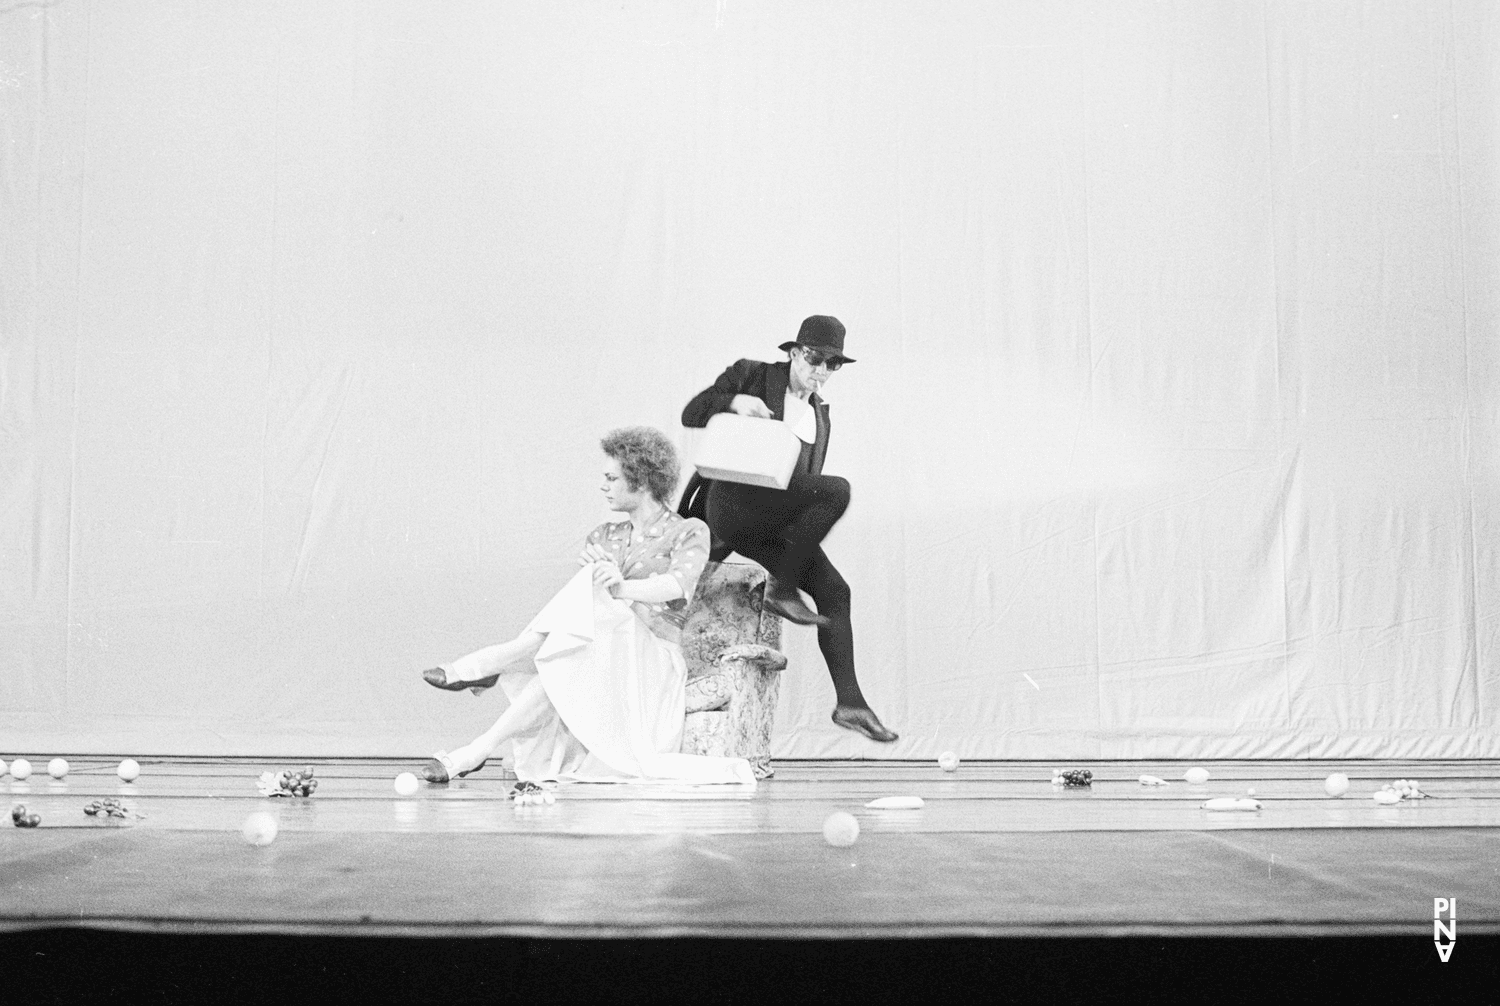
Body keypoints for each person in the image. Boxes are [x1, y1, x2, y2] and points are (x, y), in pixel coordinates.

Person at [417, 427, 755, 787]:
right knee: (569, 648)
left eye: (612, 478)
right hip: (602, 658)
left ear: (641, 482)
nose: (604, 486)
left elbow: (676, 585)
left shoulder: (689, 531)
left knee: (580, 630)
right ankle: (475, 750)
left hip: (653, 662)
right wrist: (601, 583)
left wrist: (620, 586)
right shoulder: (603, 535)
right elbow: (580, 613)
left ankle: (492, 664)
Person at [678, 316, 898, 743]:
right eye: (815, 359)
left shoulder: (820, 416)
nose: (821, 371)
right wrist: (735, 402)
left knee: (836, 591)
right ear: (795, 353)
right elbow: (692, 413)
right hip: (732, 504)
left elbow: (800, 487)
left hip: (770, 520)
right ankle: (782, 587)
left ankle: (850, 702)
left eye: (832, 365)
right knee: (837, 490)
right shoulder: (754, 375)